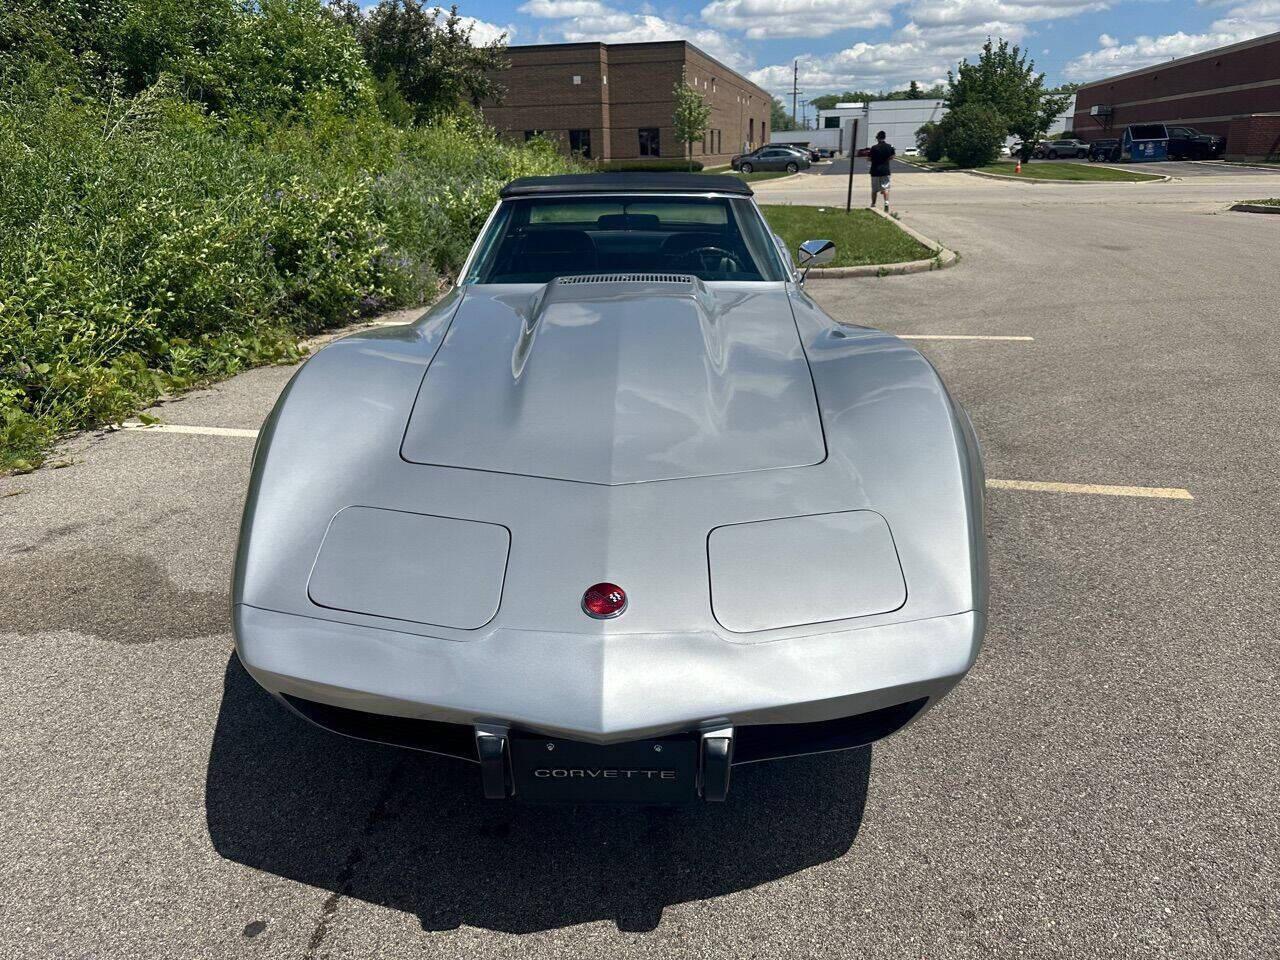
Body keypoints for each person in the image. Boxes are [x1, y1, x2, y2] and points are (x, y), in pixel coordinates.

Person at [868, 130, 895, 212]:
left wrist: (874, 159)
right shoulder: (890, 147)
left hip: (875, 171)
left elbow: (869, 158)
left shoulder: (874, 148)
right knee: (886, 188)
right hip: (885, 170)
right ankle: (886, 202)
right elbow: (892, 157)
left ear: (877, 138)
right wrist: (886, 160)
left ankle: (873, 204)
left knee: (874, 189)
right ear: (884, 137)